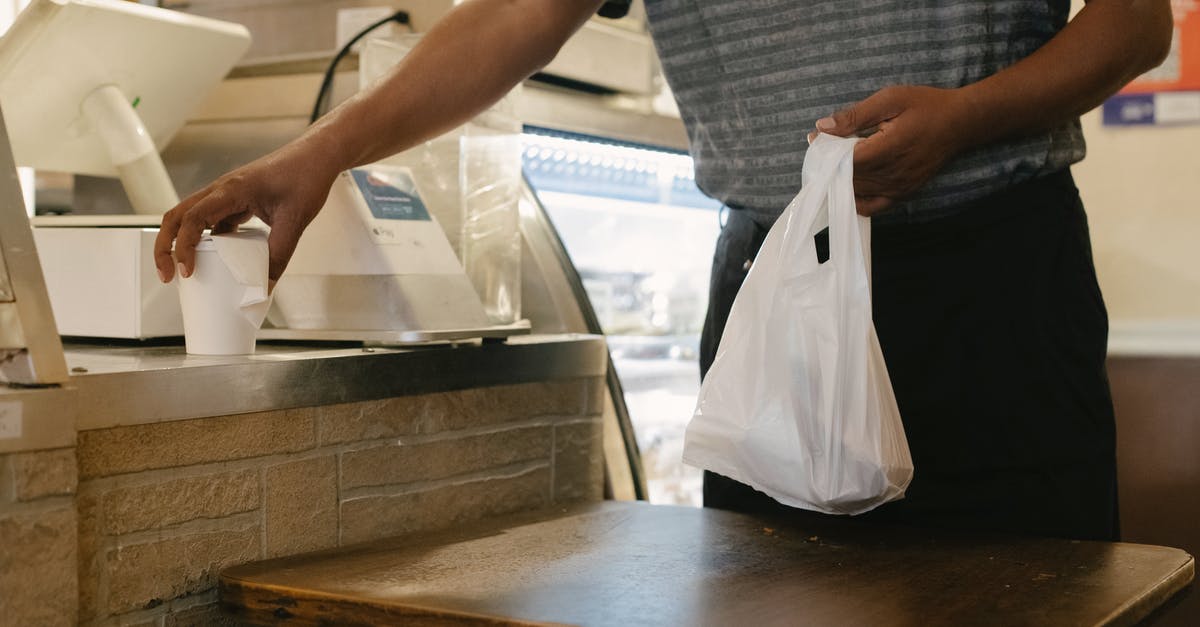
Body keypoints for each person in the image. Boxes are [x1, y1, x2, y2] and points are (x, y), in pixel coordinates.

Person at [154, 0, 1173, 541]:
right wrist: (318, 153)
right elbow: (517, 13)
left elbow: (1135, 21)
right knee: (772, 598)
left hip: (991, 285)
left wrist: (968, 119)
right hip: (772, 295)